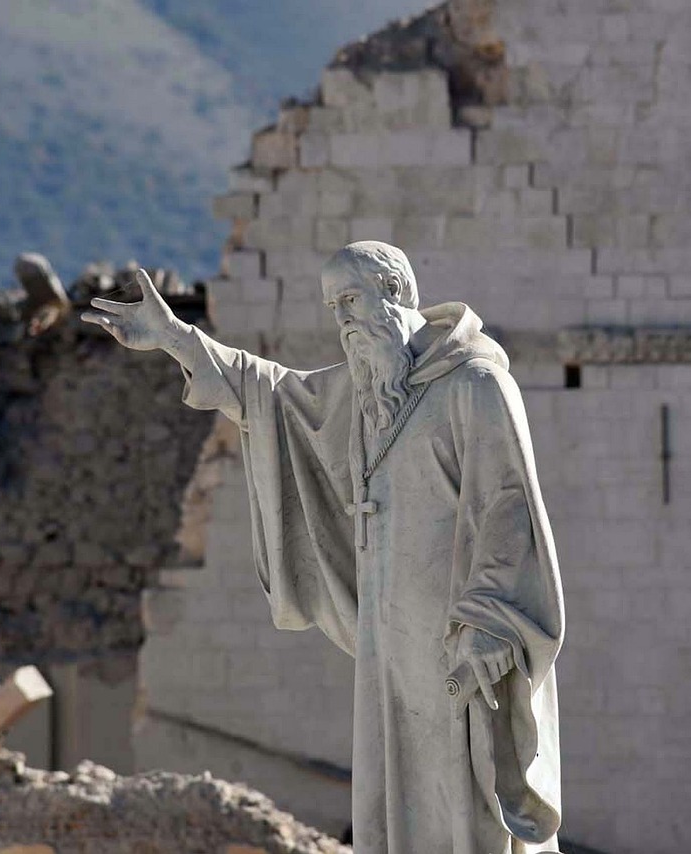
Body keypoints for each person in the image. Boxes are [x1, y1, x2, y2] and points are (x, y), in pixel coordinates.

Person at [82, 241, 564, 853]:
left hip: (458, 634)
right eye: (333, 307)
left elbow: (508, 506)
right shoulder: (368, 396)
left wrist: (491, 618)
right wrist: (178, 338)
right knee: (399, 801)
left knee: (465, 799)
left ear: (396, 294)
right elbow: (272, 394)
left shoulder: (475, 383)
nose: (343, 321)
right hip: (388, 639)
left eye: (352, 300)